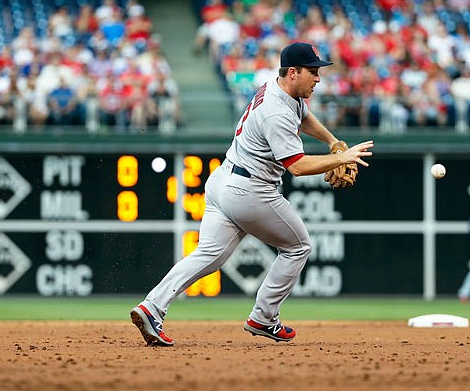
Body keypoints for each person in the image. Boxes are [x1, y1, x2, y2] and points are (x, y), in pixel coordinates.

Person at [130, 42, 374, 346]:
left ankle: (152, 306)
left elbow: (304, 116)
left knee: (208, 255)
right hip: (251, 189)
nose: (318, 78)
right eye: (313, 71)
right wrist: (342, 157)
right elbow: (296, 167)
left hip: (224, 181)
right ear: (294, 72)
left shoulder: (280, 88)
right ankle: (264, 317)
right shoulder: (276, 112)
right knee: (298, 247)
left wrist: (333, 142)